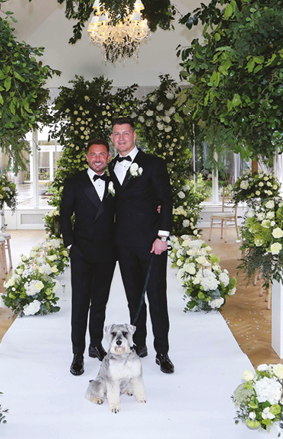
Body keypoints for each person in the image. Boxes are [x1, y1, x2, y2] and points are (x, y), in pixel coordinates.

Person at [109, 117, 175, 374]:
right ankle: (141, 344)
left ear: (134, 136)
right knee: (133, 299)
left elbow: (166, 200)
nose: (121, 138)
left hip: (151, 244)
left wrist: (163, 237)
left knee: (157, 299)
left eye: (126, 133)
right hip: (124, 245)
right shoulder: (111, 166)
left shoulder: (153, 164)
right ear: (113, 138)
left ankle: (163, 352)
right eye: (117, 134)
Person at [60, 139, 117, 376]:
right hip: (82, 251)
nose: (97, 158)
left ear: (108, 157)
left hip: (107, 252)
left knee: (100, 302)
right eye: (93, 154)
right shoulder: (74, 182)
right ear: (86, 157)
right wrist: (71, 244)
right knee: (80, 303)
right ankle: (77, 353)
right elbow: (64, 216)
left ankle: (95, 345)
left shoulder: (116, 181)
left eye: (102, 154)